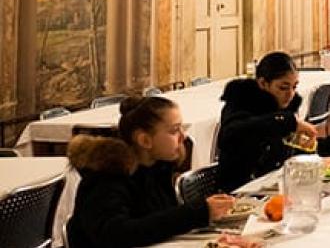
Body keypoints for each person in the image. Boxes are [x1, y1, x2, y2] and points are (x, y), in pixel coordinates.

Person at [66, 96, 235, 247]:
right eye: (174, 130)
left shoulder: (157, 167)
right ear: (145, 140)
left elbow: (159, 224)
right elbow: (116, 235)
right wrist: (196, 213)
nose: (183, 137)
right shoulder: (107, 176)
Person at [216, 51, 330, 192]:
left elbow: (294, 145)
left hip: (274, 186)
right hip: (240, 191)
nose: (290, 94)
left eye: (294, 87)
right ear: (263, 83)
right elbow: (233, 134)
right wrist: (289, 122)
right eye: (283, 87)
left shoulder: (284, 108)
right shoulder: (240, 102)